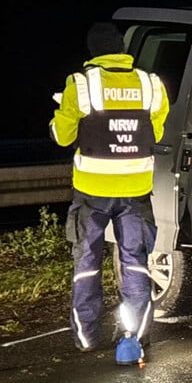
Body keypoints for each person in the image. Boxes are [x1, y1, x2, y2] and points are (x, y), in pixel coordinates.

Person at [49, 22, 170, 365]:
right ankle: (135, 338)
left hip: (92, 193)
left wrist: (60, 115)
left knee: (87, 264)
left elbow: (61, 135)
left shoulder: (81, 85)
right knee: (135, 264)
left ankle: (87, 337)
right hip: (136, 192)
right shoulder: (150, 84)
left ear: (93, 51)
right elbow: (155, 132)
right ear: (122, 49)